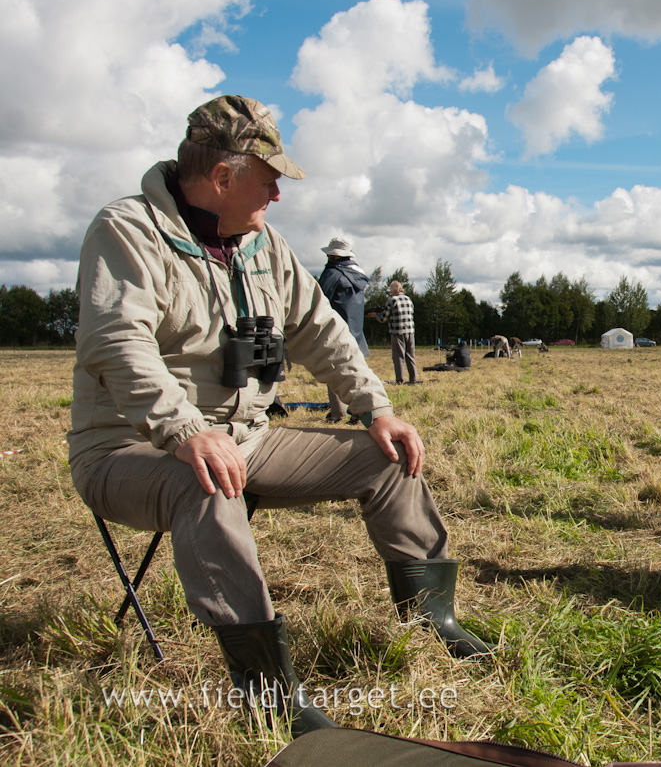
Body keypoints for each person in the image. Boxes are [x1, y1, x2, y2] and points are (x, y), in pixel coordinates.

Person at [68, 95, 495, 738]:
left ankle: (433, 618)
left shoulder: (263, 242)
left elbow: (321, 328)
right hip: (132, 448)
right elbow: (116, 344)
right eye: (269, 180)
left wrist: (374, 408)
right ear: (221, 178)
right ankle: (269, 693)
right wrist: (186, 431)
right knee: (205, 479)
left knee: (388, 459)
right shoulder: (127, 231)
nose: (278, 194)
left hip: (247, 437)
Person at [318, 236, 369, 422]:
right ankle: (360, 412)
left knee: (334, 371)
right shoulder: (358, 274)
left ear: (333, 255)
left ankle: (338, 413)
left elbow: (319, 300)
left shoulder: (333, 273)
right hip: (356, 330)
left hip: (336, 329)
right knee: (356, 372)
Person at [384, 280, 420, 385]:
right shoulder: (408, 299)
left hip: (397, 332)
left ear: (393, 290)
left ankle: (400, 380)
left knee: (398, 357)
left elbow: (383, 318)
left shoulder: (391, 301)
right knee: (410, 356)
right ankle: (413, 379)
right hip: (410, 332)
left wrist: (375, 315)